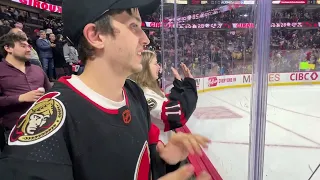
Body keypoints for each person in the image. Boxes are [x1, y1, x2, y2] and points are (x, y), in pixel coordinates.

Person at [0, 0, 212, 180]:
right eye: (133, 26)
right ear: (96, 36)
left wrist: (165, 160)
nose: (146, 39)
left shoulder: (133, 92)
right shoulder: (50, 123)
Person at [129, 50, 198, 173]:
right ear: (144, 67)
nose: (159, 67)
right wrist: (189, 86)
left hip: (165, 151)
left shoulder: (150, 89)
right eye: (155, 64)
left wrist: (179, 85)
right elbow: (179, 115)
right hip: (160, 153)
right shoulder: (146, 95)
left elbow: (168, 101)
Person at [0, 32, 51, 151]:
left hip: (44, 129)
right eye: (23, 46)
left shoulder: (37, 69)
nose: (28, 49)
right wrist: (20, 98)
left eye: (29, 46)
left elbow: (50, 93)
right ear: (8, 48)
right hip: (14, 133)